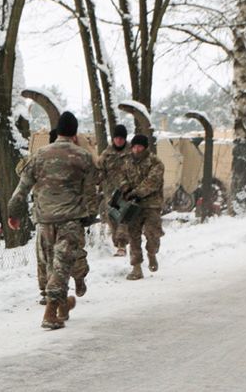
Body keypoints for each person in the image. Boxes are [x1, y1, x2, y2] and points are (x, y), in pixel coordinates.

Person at [8, 111, 97, 330]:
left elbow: (22, 188)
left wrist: (13, 213)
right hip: (70, 219)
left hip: (45, 220)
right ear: (75, 133)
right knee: (61, 266)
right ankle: (49, 314)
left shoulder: (39, 154)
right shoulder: (83, 157)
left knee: (51, 266)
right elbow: (91, 192)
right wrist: (89, 216)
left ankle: (63, 306)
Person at [119, 134, 164, 280]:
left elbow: (153, 181)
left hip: (152, 204)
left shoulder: (155, 162)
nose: (136, 149)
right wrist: (126, 189)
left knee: (153, 233)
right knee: (133, 235)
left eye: (139, 146)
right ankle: (136, 267)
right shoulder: (127, 162)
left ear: (145, 147)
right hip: (133, 205)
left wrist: (137, 193)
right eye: (134, 146)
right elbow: (122, 178)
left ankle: (152, 253)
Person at [97, 124, 130, 256]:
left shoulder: (131, 153)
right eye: (117, 138)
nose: (119, 140)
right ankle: (118, 243)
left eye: (121, 138)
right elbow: (100, 171)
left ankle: (122, 245)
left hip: (127, 193)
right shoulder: (106, 154)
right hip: (110, 194)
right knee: (112, 220)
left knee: (123, 218)